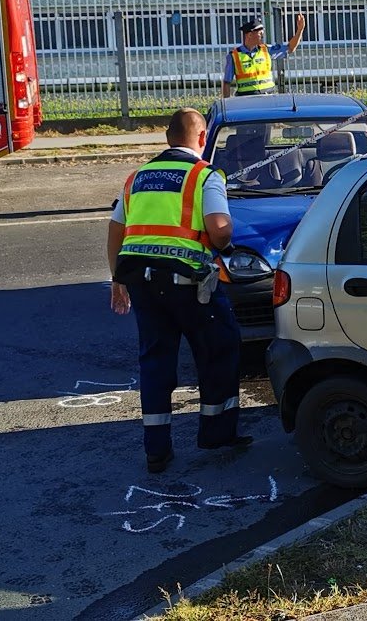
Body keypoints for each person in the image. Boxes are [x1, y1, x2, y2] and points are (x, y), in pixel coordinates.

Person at [107, 108, 249, 473]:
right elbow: (219, 229)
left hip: (141, 282)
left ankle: (157, 449)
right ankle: (217, 433)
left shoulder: (138, 176)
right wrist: (227, 237)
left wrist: (117, 280)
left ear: (168, 138)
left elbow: (115, 230)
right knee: (220, 346)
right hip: (189, 284)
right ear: (202, 138)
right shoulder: (204, 176)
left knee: (155, 361)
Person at [222, 14, 305, 98]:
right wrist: (227, 105)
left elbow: (290, 48)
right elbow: (226, 82)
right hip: (245, 100)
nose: (262, 36)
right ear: (250, 35)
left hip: (268, 96)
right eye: (260, 33)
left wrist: (300, 30)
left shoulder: (266, 50)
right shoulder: (234, 56)